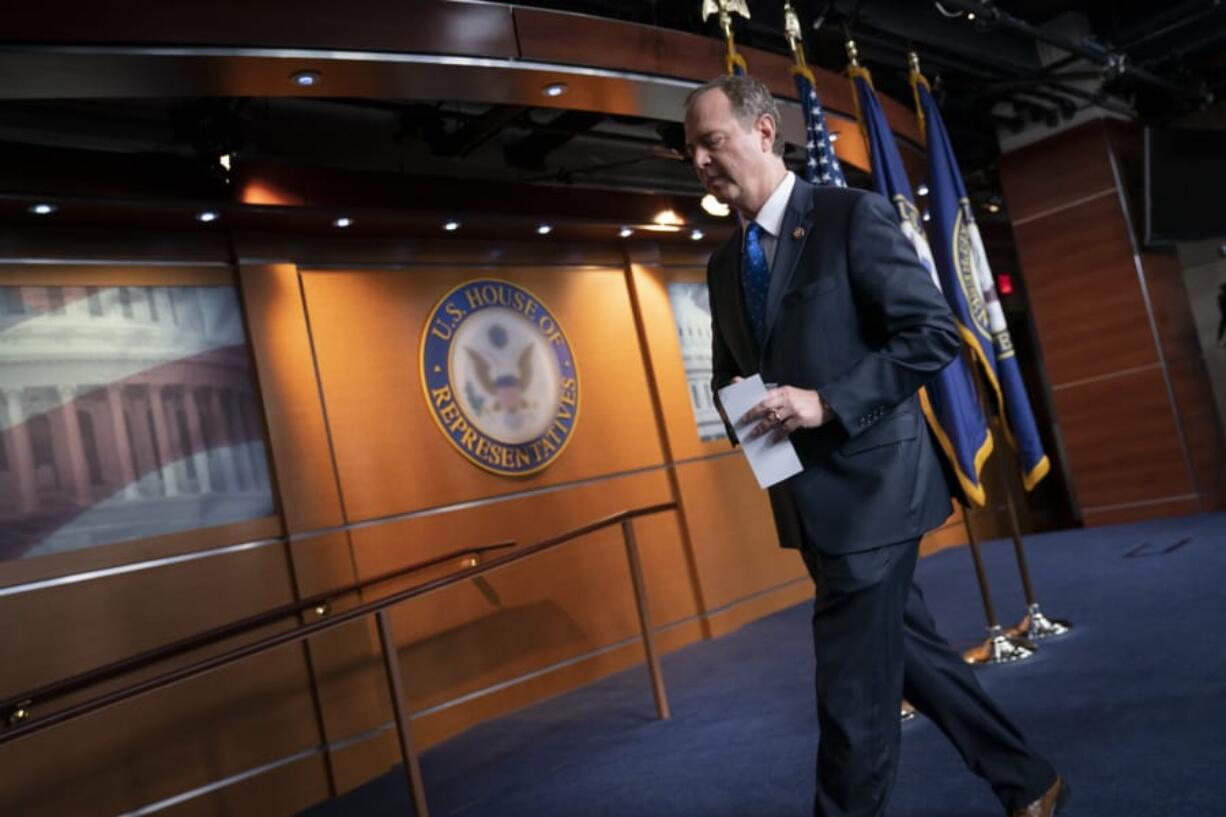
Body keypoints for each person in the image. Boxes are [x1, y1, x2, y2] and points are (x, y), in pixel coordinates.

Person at [684, 73, 1067, 817]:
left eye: (711, 141)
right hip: (808, 505)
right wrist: (743, 415)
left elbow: (930, 334)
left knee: (852, 698)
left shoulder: (847, 217)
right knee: (915, 658)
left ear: (764, 132)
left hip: (877, 496)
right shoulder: (725, 265)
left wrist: (826, 402)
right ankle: (1030, 781)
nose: (698, 160)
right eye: (690, 149)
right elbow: (732, 374)